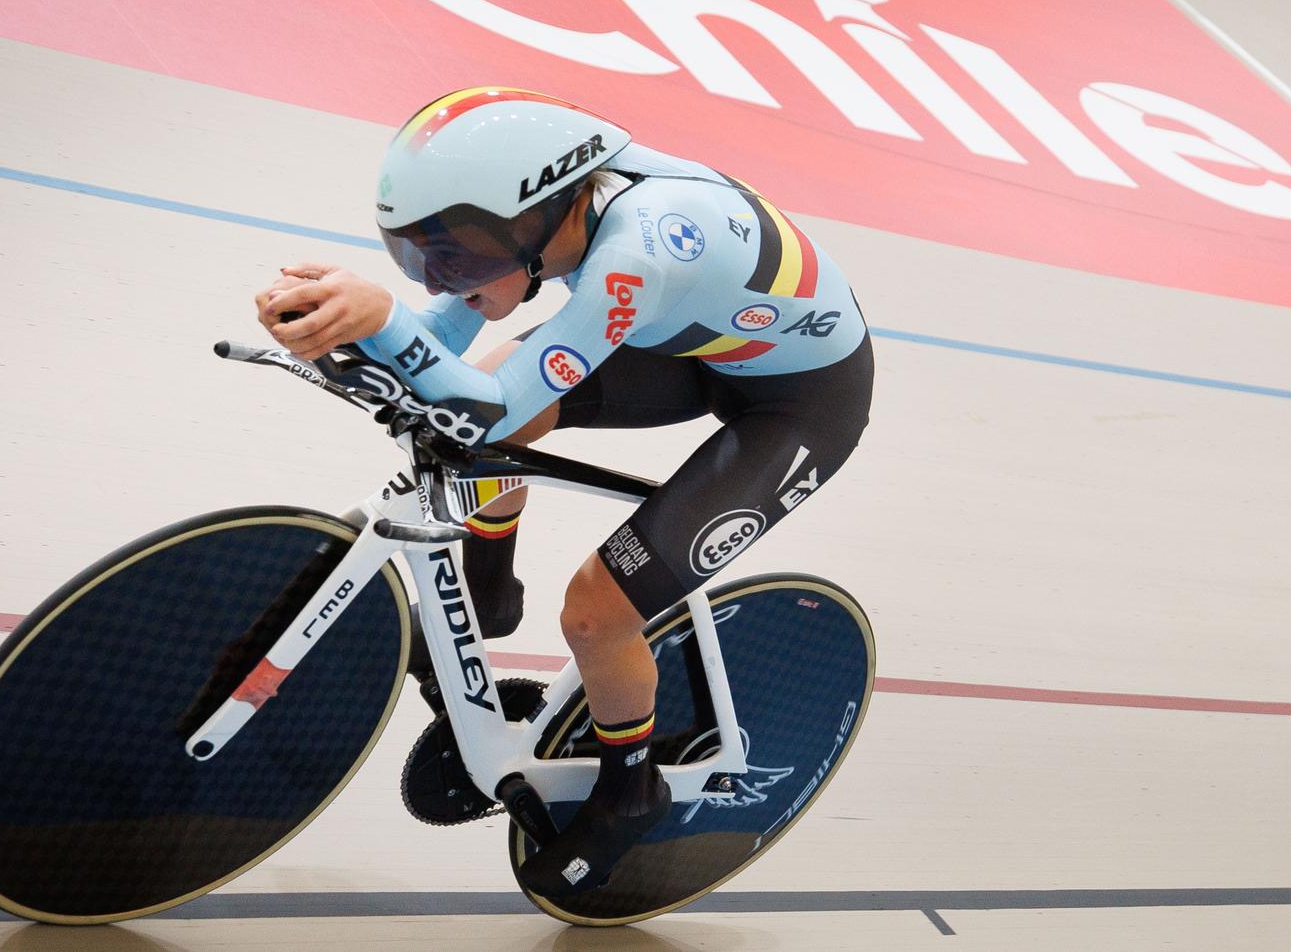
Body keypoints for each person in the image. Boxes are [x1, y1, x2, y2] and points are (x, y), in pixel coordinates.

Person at [253, 87, 873, 897]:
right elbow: (445, 349)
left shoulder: (640, 252)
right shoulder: (554, 214)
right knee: (474, 416)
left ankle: (631, 790)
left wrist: (384, 321)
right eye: (426, 253)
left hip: (801, 400)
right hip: (694, 342)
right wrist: (349, 325)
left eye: (462, 253)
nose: (447, 275)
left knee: (596, 609)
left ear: (544, 215)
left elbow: (491, 407)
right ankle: (489, 593)